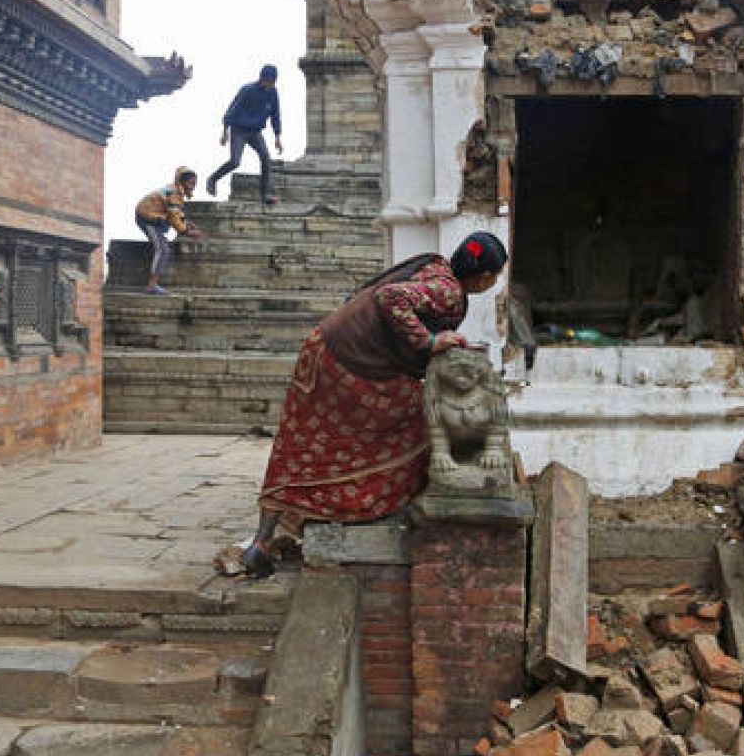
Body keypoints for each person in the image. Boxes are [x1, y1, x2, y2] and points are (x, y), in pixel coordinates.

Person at [214, 232, 510, 578]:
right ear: (486, 277)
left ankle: (261, 544)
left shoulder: (434, 265)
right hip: (348, 365)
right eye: (496, 277)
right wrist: (429, 341)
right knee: (420, 422)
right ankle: (375, 508)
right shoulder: (448, 291)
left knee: (299, 447)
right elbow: (389, 297)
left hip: (323, 347)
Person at [209, 64, 283, 202]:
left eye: (273, 82)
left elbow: (275, 114)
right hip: (239, 130)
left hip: (255, 132)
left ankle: (265, 194)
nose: (271, 85)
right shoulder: (248, 90)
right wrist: (225, 131)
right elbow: (232, 110)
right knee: (235, 161)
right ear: (262, 79)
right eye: (269, 81)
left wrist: (277, 136)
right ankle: (213, 179)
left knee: (266, 158)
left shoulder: (273, 92)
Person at [134, 167, 203, 295]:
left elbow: (176, 212)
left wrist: (185, 222)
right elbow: (174, 216)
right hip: (148, 218)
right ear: (182, 182)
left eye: (195, 183)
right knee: (163, 249)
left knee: (162, 245)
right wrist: (187, 231)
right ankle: (151, 285)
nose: (193, 187)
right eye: (191, 183)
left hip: (154, 216)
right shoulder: (174, 193)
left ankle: (152, 285)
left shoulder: (176, 191)